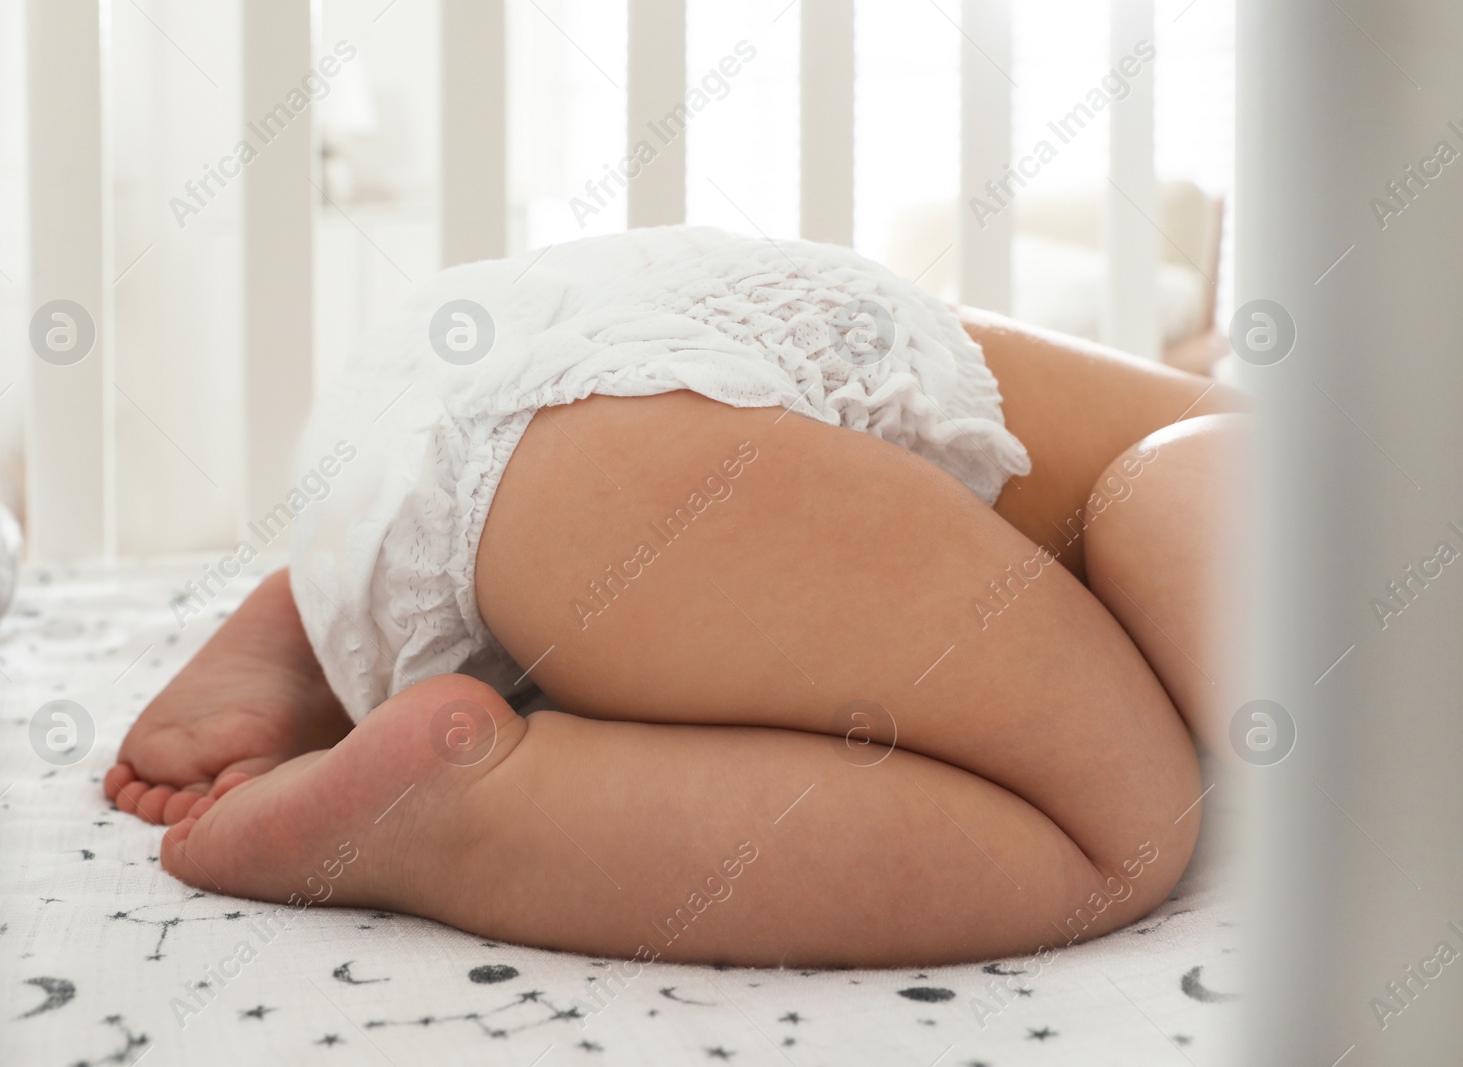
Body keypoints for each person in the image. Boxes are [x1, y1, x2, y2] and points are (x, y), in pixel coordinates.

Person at [104, 227, 1244, 967]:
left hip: (465, 414)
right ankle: (465, 814)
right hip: (664, 422)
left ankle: (311, 623)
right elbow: (1165, 504)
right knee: (1123, 829)